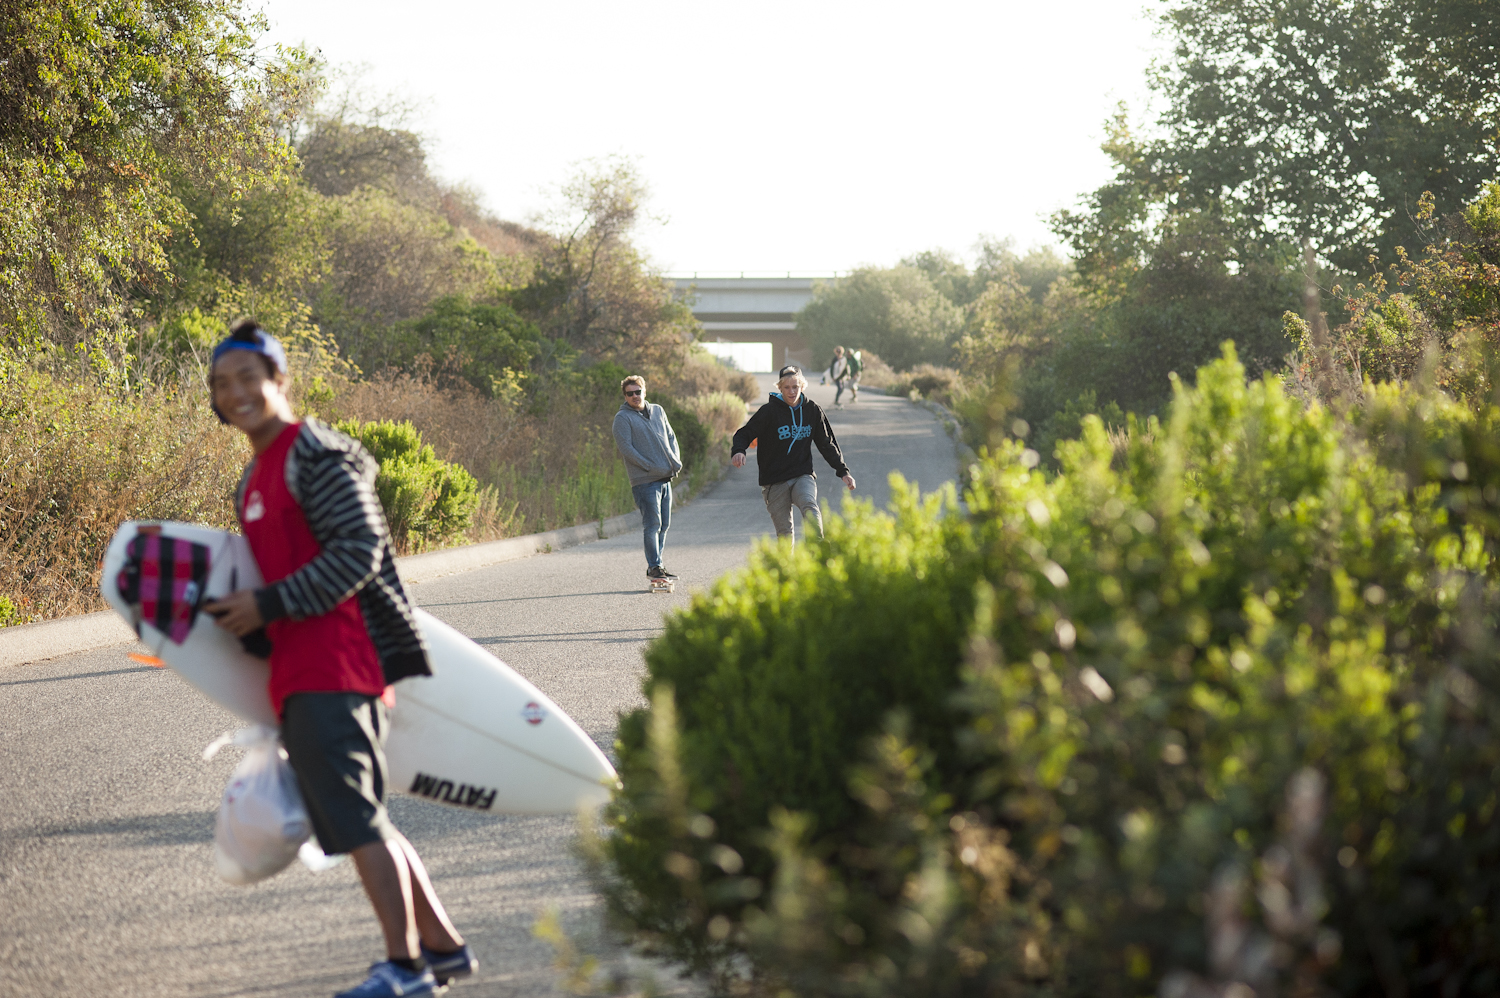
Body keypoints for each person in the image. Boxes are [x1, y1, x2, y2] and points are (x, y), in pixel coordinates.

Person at [202, 319, 475, 998]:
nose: (235, 393)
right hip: (297, 673)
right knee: (362, 816)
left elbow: (359, 551)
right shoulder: (253, 477)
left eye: (248, 377)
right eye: (221, 383)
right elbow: (277, 573)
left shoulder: (314, 453)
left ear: (279, 380)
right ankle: (443, 951)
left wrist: (268, 604)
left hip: (339, 667)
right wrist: (245, 623)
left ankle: (404, 969)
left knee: (357, 822)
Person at [730, 365, 855, 543]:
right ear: (780, 388)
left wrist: (843, 471)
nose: (791, 392)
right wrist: (738, 451)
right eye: (787, 387)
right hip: (774, 480)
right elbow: (744, 434)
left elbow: (827, 443)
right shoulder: (769, 412)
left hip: (802, 474)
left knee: (809, 504)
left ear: (802, 386)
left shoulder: (812, 410)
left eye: (795, 387)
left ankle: (818, 546)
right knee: (785, 534)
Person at [611, 374, 683, 581]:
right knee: (652, 525)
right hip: (645, 481)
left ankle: (658, 565)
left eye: (638, 392)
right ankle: (653, 566)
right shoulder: (622, 419)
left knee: (664, 525)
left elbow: (671, 437)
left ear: (644, 391)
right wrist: (649, 466)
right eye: (630, 394)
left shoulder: (658, 411)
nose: (635, 396)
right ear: (625, 396)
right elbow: (626, 449)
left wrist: (675, 459)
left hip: (665, 477)